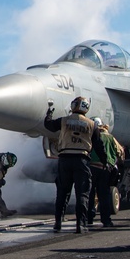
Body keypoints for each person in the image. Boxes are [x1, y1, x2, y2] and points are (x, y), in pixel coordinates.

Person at [44, 96, 94, 234]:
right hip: (82, 161)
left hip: (65, 160)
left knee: (62, 193)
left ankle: (58, 222)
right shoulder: (91, 124)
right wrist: (105, 161)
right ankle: (81, 224)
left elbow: (48, 125)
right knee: (82, 194)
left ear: (73, 106)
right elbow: (98, 145)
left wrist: (49, 113)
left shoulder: (64, 121)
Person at [87, 117, 125, 227]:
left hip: (92, 168)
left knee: (90, 193)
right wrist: (118, 163)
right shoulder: (111, 137)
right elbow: (120, 152)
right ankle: (106, 220)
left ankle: (89, 217)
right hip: (106, 169)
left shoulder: (90, 136)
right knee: (104, 195)